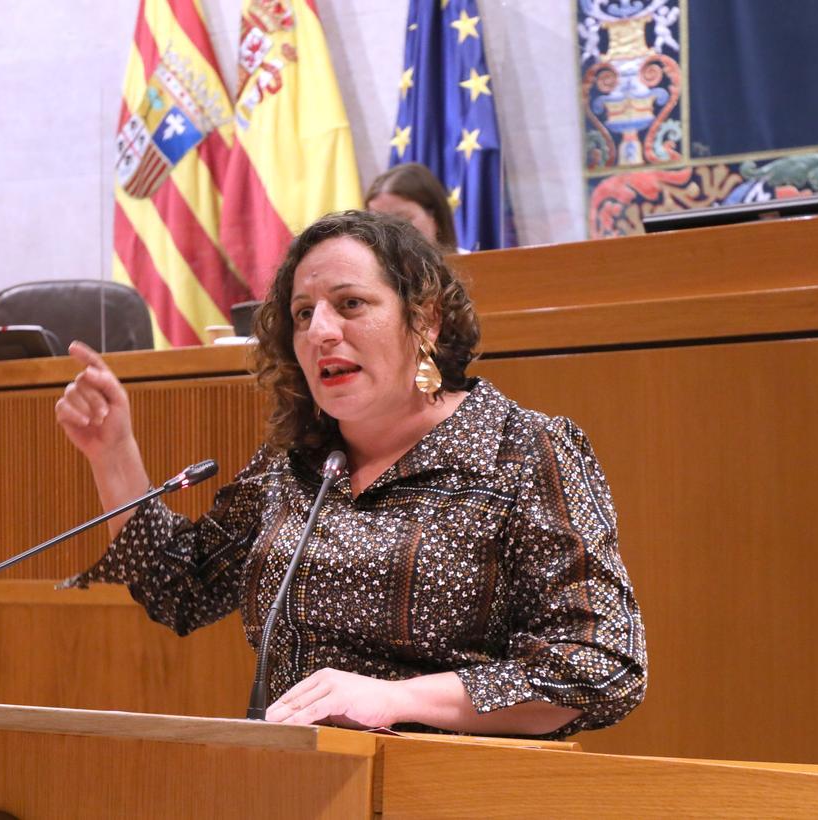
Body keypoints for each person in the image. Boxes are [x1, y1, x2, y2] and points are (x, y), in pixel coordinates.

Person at [55, 210, 646, 738]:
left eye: (351, 304)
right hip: (295, 787)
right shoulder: (294, 463)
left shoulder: (521, 449)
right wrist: (113, 452)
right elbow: (180, 589)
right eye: (303, 313)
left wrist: (394, 699)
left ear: (427, 320)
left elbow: (597, 665)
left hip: (450, 795)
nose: (320, 331)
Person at [365, 163, 459, 253]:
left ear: (435, 218)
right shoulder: (363, 268)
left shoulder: (471, 264)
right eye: (378, 222)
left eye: (401, 221)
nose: (389, 232)